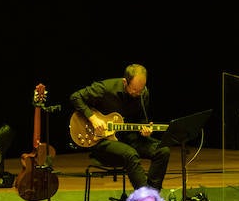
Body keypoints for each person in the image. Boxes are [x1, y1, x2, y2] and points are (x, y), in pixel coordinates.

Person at [70, 64, 170, 192]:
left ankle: (152, 195)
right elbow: (75, 97)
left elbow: (141, 121)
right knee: (130, 154)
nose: (137, 93)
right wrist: (93, 118)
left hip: (130, 139)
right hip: (103, 140)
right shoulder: (105, 88)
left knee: (163, 151)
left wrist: (145, 133)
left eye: (141, 89)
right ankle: (145, 200)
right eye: (134, 89)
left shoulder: (143, 93)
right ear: (125, 82)